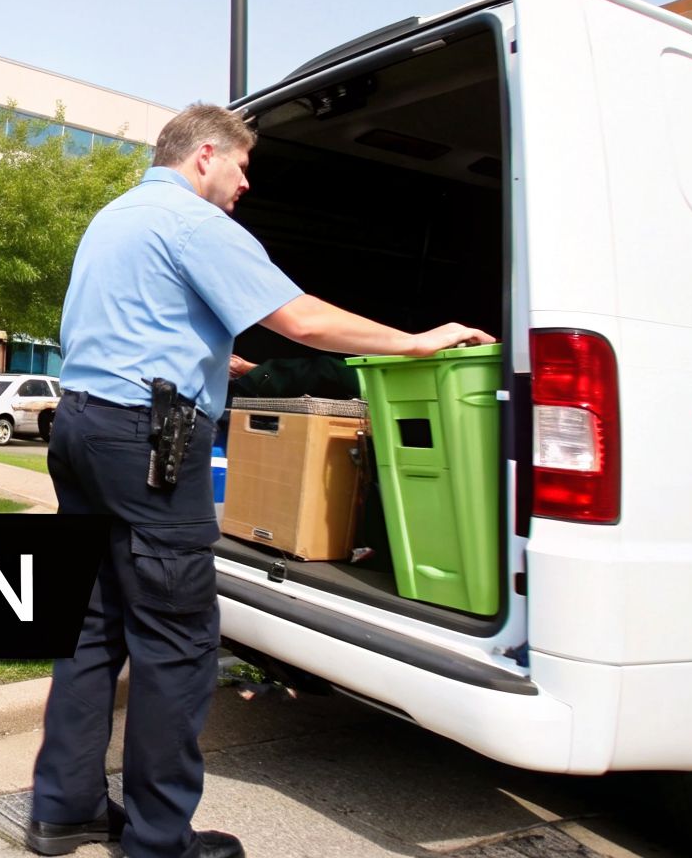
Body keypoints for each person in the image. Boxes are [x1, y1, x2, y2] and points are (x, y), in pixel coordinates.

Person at [26, 103, 492, 858]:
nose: (245, 185)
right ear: (206, 153)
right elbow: (302, 321)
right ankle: (158, 842)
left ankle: (64, 810)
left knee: (89, 629)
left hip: (82, 428)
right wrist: (417, 341)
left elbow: (135, 323)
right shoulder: (195, 222)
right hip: (147, 442)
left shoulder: (115, 216)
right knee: (175, 640)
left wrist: (214, 360)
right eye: (243, 168)